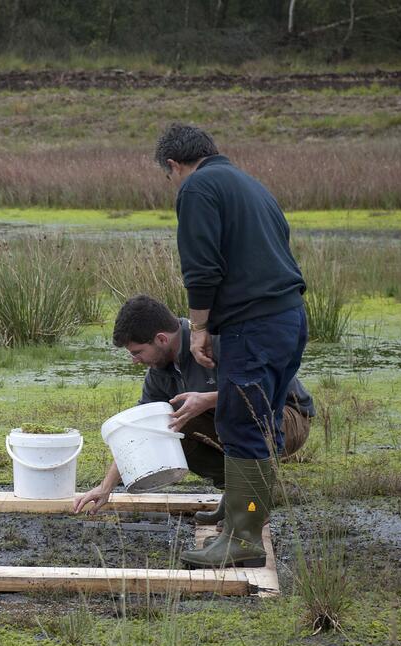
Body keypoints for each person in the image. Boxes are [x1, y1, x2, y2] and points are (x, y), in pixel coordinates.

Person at [155, 124, 308, 568]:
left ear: (173, 165)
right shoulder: (250, 184)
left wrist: (200, 327)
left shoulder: (197, 187)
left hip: (254, 325)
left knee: (241, 424)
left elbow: (201, 267)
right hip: (288, 319)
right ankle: (242, 509)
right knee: (263, 423)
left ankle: (243, 538)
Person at [73, 296, 313, 529]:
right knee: (168, 425)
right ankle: (236, 494)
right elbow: (140, 433)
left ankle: (252, 506)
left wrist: (208, 400)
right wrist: (106, 488)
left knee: (204, 416)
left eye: (137, 352)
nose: (134, 360)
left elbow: (263, 391)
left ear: (161, 339)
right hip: (239, 421)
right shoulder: (159, 372)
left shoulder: (218, 338)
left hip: (286, 416)